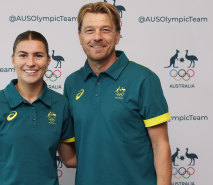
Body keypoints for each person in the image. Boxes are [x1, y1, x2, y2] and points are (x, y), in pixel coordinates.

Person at [64, 2, 172, 185]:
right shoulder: (72, 83)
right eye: (90, 30)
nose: (97, 37)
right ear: (80, 36)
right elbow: (70, 153)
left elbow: (160, 146)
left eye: (105, 30)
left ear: (117, 35)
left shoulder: (144, 79)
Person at [0, 30, 76, 185]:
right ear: (13, 60)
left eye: (38, 55)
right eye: (23, 55)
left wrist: (114, 155)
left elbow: (70, 159)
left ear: (48, 60)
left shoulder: (61, 104)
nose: (30, 62)